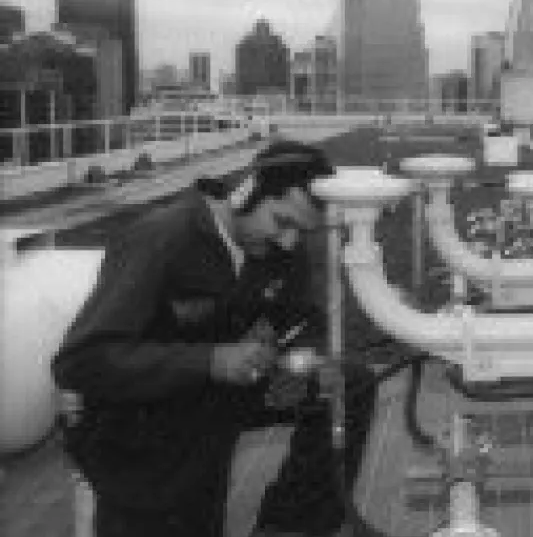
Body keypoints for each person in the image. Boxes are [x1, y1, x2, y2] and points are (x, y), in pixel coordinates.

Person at [53, 140, 376, 537]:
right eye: (283, 222)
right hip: (136, 418)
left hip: (217, 394)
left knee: (348, 384)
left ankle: (288, 528)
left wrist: (310, 356)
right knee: (182, 510)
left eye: (301, 231)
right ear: (247, 194)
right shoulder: (162, 239)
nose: (289, 243)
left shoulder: (276, 249)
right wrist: (211, 360)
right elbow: (82, 361)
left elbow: (303, 320)